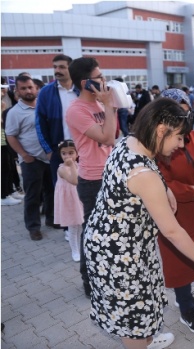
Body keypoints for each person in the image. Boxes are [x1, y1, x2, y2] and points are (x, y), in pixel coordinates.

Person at [84, 97, 194, 349]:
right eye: (179, 137)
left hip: (113, 243)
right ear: (162, 130)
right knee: (133, 319)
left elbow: (147, 176)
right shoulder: (144, 175)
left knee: (142, 305)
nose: (181, 144)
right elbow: (172, 231)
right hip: (121, 257)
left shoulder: (131, 143)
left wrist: (168, 191)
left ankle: (147, 337)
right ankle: (140, 342)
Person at [156, 88, 194, 334]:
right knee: (179, 259)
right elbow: (161, 182)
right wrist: (192, 193)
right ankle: (185, 307)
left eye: (184, 110)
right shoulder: (159, 144)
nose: (182, 117)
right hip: (174, 211)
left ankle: (188, 296)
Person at [65, 57, 118, 297]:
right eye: (99, 77)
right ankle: (90, 282)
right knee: (95, 233)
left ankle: (109, 275)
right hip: (93, 180)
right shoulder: (77, 110)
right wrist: (108, 105)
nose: (104, 81)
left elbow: (114, 135)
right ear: (86, 83)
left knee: (113, 231)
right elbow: (106, 138)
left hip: (110, 174)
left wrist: (109, 105)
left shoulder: (98, 105)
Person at [5, 76, 55, 241]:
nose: (28, 91)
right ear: (17, 91)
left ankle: (51, 218)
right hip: (31, 160)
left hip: (49, 157)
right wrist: (25, 155)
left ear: (35, 89)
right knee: (33, 195)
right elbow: (10, 136)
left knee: (51, 191)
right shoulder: (15, 112)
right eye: (24, 88)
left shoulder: (43, 106)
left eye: (30, 87)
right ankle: (33, 227)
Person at [35, 54, 80, 187]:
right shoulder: (45, 92)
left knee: (83, 188)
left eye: (61, 67)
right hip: (58, 150)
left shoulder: (82, 90)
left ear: (71, 69)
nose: (57, 71)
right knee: (61, 188)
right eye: (55, 67)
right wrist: (48, 150)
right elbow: (39, 123)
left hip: (82, 148)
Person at [53, 139, 83, 262]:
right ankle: (74, 251)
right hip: (69, 201)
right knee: (72, 227)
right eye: (64, 153)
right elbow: (74, 180)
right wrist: (71, 166)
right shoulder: (62, 169)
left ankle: (81, 248)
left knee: (80, 224)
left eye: (71, 153)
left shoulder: (79, 166)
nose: (67, 156)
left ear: (77, 153)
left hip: (78, 198)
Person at [1, 83, 23, 206]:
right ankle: (3, 195)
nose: (3, 91)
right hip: (1, 142)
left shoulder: (3, 104)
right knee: (4, 169)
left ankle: (9, 191)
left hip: (4, 141)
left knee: (9, 168)